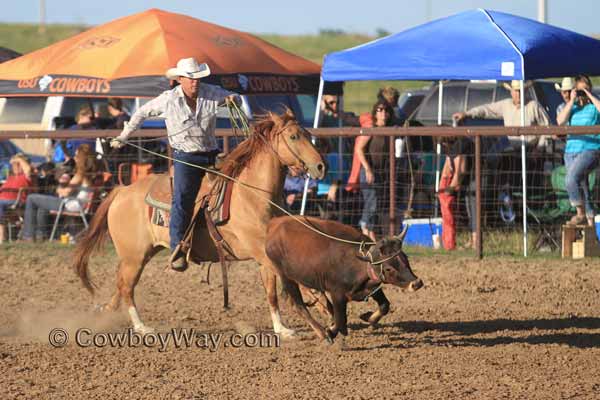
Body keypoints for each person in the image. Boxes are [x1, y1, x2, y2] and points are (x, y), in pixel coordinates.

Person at [110, 57, 240, 272]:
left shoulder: (210, 92)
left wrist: (234, 98)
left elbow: (232, 97)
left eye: (197, 78)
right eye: (190, 78)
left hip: (210, 154)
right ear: (180, 79)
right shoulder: (168, 100)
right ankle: (177, 247)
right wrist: (124, 136)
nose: (195, 82)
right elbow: (141, 113)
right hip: (186, 158)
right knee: (182, 198)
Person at [21, 145, 96, 242]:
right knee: (42, 205)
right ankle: (41, 235)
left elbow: (66, 192)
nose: (74, 158)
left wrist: (57, 187)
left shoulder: (80, 175)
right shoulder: (91, 173)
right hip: (79, 203)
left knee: (31, 198)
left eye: (76, 156)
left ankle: (28, 235)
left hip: (72, 204)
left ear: (81, 159)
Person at [452, 80, 551, 150]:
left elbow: (547, 128)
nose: (518, 94)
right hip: (513, 150)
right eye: (516, 91)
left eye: (521, 90)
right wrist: (467, 113)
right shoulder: (506, 104)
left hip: (531, 150)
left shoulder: (533, 106)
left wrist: (539, 148)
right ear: (511, 92)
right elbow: (487, 109)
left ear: (525, 91)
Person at [557, 74, 600, 226]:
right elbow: (560, 121)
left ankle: (579, 213)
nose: (581, 93)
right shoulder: (571, 107)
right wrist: (573, 100)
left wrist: (589, 94)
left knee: (570, 179)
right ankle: (591, 224)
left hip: (590, 150)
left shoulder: (594, 107)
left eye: (585, 89)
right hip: (571, 151)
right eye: (579, 90)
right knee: (583, 187)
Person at [347, 100, 394, 241]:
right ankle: (366, 229)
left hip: (380, 173)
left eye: (385, 110)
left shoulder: (389, 129)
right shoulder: (370, 127)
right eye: (379, 110)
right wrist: (367, 169)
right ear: (375, 113)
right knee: (371, 203)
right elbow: (359, 148)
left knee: (375, 204)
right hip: (368, 173)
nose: (383, 113)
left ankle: (368, 230)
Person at [437, 136, 473, 250]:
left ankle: (454, 243)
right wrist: (441, 188)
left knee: (470, 212)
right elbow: (447, 169)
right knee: (455, 214)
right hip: (459, 184)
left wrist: (450, 188)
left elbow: (459, 172)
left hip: (469, 181)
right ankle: (450, 243)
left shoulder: (459, 147)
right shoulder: (450, 151)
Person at [0, 154, 33, 243]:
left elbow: (28, 169)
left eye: (17, 164)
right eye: (14, 165)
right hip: (3, 201)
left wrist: (18, 159)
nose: (14, 166)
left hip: (16, 201)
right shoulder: (10, 177)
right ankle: (2, 239)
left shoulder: (26, 176)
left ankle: (1, 238)